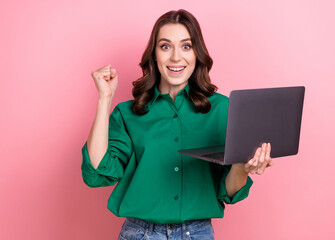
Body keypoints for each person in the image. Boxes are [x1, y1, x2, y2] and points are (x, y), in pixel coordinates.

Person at [81, 9, 274, 240]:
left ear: (197, 53)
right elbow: (97, 174)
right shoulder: (127, 113)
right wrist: (105, 98)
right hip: (139, 234)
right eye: (165, 46)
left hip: (198, 233)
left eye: (186, 46)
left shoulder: (223, 110)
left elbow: (228, 191)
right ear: (154, 55)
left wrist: (243, 167)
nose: (175, 57)